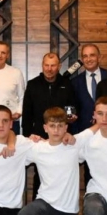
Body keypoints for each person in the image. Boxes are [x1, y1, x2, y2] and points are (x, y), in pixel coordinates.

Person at [16, 107, 96, 215]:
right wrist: (28, 139)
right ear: (45, 128)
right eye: (52, 126)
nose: (56, 130)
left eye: (60, 126)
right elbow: (12, 142)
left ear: (66, 127)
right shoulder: (37, 148)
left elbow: (97, 127)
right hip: (45, 203)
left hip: (67, 211)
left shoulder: (74, 145)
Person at [21, 52, 76, 198]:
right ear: (42, 65)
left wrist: (70, 120)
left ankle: (60, 204)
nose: (49, 69)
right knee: (40, 174)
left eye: (53, 65)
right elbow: (27, 114)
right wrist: (27, 137)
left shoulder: (67, 84)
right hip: (38, 137)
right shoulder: (32, 85)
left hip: (60, 137)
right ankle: (38, 205)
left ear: (59, 66)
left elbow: (71, 108)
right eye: (47, 65)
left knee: (60, 173)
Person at [71, 44, 107, 134]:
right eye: (85, 56)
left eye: (92, 55)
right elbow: (72, 109)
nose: (88, 59)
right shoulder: (74, 82)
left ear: (99, 58)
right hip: (84, 132)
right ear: (82, 60)